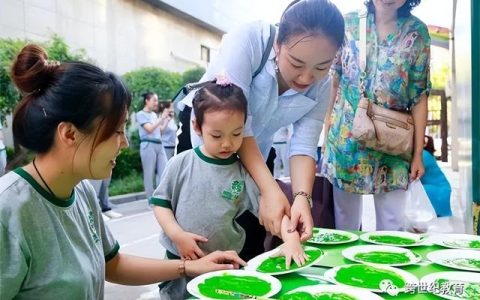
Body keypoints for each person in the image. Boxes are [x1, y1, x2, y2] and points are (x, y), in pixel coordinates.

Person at [0, 44, 246, 300]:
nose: (125, 143)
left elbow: (112, 263)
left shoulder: (80, 191)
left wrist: (189, 267)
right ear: (70, 134)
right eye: (117, 132)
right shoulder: (8, 212)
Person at [177, 0, 345, 253]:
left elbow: (303, 145)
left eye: (322, 66)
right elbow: (239, 124)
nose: (306, 78)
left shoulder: (323, 84)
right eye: (297, 63)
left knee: (251, 239)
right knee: (202, 237)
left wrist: (302, 198)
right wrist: (269, 190)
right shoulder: (250, 40)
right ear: (278, 44)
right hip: (209, 145)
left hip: (256, 149)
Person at [151, 80, 306, 299]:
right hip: (180, 261)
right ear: (197, 127)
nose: (227, 144)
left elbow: (269, 208)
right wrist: (178, 236)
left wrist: (290, 240)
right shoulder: (181, 163)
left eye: (236, 134)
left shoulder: (242, 172)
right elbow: (160, 205)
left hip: (223, 266)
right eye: (217, 135)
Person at [322, 0, 431, 230]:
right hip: (347, 142)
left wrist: (418, 154)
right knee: (345, 226)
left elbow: (420, 96)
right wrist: (326, 132)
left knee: (392, 230)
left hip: (394, 146)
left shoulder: (417, 33)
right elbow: (334, 81)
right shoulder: (348, 24)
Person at [136, 92, 171, 199]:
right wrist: (162, 118)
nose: (156, 103)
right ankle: (151, 200)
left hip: (159, 145)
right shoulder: (140, 114)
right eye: (154, 100)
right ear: (147, 101)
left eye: (157, 100)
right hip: (148, 145)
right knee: (149, 174)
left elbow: (159, 131)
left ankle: (164, 197)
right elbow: (149, 129)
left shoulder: (154, 115)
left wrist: (166, 120)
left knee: (165, 171)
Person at [421, 135, 452, 217]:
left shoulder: (423, 154)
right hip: (441, 189)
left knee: (414, 190)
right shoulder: (427, 153)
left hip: (439, 190)